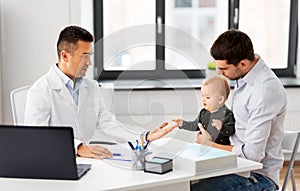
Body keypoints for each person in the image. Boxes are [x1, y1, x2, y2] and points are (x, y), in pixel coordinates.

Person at [24, 25, 177, 159]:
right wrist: (78, 147)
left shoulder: (91, 87)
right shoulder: (41, 91)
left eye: (90, 56)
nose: (89, 63)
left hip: (87, 161)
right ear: (65, 55)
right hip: (55, 162)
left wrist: (145, 137)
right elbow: (37, 138)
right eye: (84, 56)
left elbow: (107, 123)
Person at [192, 29, 287, 191]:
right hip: (234, 166)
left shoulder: (264, 90)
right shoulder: (244, 77)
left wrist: (209, 144)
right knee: (183, 182)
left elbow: (253, 155)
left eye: (224, 69)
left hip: (257, 176)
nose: (220, 73)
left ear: (243, 63)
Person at [172, 76, 235, 145]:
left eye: (207, 97)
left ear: (220, 100)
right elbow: (195, 125)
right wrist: (182, 124)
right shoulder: (203, 112)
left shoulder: (227, 114)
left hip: (220, 148)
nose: (203, 99)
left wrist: (222, 127)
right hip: (203, 146)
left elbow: (231, 131)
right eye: (203, 96)